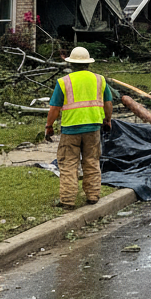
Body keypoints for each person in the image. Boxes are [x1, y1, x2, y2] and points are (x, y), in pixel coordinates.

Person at [45, 47, 114, 209]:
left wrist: (49, 126)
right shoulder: (99, 80)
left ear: (71, 64)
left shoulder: (64, 82)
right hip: (93, 128)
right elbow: (108, 104)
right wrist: (107, 121)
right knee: (91, 161)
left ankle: (67, 200)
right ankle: (93, 196)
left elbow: (54, 108)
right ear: (88, 64)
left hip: (70, 130)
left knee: (68, 164)